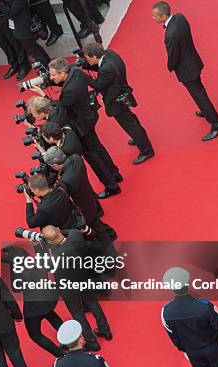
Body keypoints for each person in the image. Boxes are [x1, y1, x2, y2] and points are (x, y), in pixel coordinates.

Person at [48, 57, 121, 199]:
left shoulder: (69, 91)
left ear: (63, 73)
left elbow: (62, 107)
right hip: (88, 117)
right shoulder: (76, 72)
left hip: (81, 125)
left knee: (92, 156)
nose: (51, 78)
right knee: (98, 148)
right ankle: (114, 174)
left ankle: (111, 186)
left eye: (53, 75)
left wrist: (47, 100)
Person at [151, 2, 218, 141]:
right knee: (200, 91)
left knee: (199, 96)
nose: (153, 18)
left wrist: (170, 67)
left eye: (155, 16)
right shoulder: (180, 17)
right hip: (193, 61)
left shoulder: (170, 34)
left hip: (187, 70)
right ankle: (206, 111)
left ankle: (217, 124)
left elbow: (173, 56)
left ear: (163, 16)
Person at [81, 42, 155, 164]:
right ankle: (139, 138)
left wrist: (83, 76)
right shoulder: (110, 54)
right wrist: (85, 65)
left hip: (116, 100)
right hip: (121, 93)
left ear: (95, 56)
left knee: (130, 123)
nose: (87, 61)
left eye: (88, 59)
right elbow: (100, 67)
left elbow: (98, 85)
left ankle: (146, 150)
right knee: (131, 121)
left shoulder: (106, 69)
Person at [42, 226, 111, 351]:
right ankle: (105, 330)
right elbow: (68, 232)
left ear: (50, 242)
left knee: (77, 313)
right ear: (58, 229)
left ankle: (91, 342)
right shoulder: (75, 236)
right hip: (84, 278)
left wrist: (39, 245)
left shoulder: (54, 255)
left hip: (68, 288)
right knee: (93, 303)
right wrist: (57, 234)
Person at [2, 245, 65, 358]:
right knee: (51, 315)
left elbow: (17, 288)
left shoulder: (18, 270)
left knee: (35, 335)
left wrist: (12, 266)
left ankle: (61, 355)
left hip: (34, 308)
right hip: (48, 298)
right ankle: (69, 341)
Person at [43, 147, 117, 242]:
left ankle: (111, 251)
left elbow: (63, 197)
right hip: (91, 198)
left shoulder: (65, 181)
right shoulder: (76, 158)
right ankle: (111, 234)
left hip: (83, 209)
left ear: (54, 165)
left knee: (97, 229)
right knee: (97, 223)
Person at [0, 0, 51, 68]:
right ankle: (45, 66)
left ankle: (47, 67)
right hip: (18, 28)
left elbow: (11, 12)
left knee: (34, 50)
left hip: (24, 27)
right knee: (32, 50)